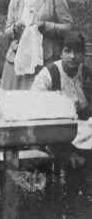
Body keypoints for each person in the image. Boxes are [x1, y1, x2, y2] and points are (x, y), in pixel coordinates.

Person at [30, 32, 92, 201]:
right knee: (72, 155)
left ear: (83, 55)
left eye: (77, 52)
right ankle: (66, 197)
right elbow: (35, 103)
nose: (72, 56)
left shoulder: (86, 74)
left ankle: (81, 191)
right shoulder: (49, 74)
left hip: (83, 129)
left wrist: (86, 109)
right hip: (55, 130)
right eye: (67, 51)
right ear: (61, 52)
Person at [0, 0, 73, 90]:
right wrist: (15, 29)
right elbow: (7, 31)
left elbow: (68, 26)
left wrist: (46, 26)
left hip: (44, 58)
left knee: (38, 101)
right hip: (18, 58)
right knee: (14, 101)